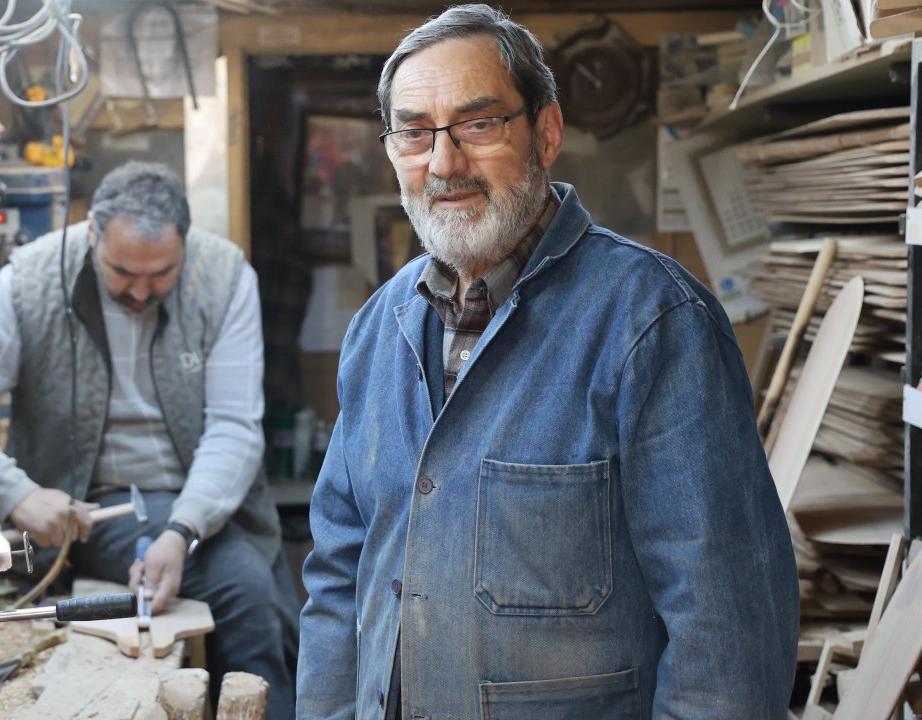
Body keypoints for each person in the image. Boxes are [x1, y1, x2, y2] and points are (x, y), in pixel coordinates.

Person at [296, 6, 798, 719]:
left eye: (478, 124)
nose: (443, 163)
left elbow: (726, 637)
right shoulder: (379, 329)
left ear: (547, 132)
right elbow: (338, 579)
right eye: (414, 132)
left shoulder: (655, 324)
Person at [0, 161, 299, 718]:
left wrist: (182, 529)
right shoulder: (35, 279)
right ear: (92, 233)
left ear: (185, 244)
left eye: (161, 273)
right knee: (242, 585)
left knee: (264, 608)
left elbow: (234, 426)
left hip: (208, 501)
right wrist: (16, 494)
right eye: (122, 271)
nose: (140, 291)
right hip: (95, 508)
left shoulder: (224, 276)